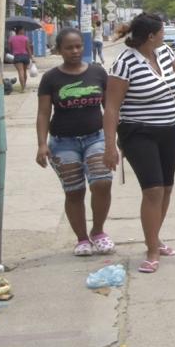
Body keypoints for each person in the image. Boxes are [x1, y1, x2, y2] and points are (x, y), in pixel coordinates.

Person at [104, 12, 175, 274]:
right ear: (151, 36)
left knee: (166, 188)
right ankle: (152, 249)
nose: (166, 34)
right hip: (138, 133)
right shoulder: (124, 63)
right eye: (162, 31)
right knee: (152, 191)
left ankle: (155, 238)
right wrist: (109, 146)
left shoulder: (164, 53)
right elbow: (112, 108)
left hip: (169, 130)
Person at [36, 28, 114, 256]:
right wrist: (42, 144)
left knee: (102, 182)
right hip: (63, 143)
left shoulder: (98, 72)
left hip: (95, 138)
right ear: (59, 50)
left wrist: (113, 142)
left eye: (78, 46)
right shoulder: (50, 78)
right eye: (69, 47)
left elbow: (109, 109)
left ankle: (98, 231)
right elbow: (43, 113)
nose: (75, 51)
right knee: (74, 192)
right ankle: (81, 239)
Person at [8, 26, 32, 92]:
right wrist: (31, 57)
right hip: (25, 56)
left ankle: (23, 88)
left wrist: (14, 51)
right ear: (19, 31)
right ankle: (24, 85)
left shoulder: (11, 39)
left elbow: (10, 49)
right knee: (24, 72)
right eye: (23, 30)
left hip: (17, 57)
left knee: (21, 72)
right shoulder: (25, 38)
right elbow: (28, 49)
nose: (24, 31)